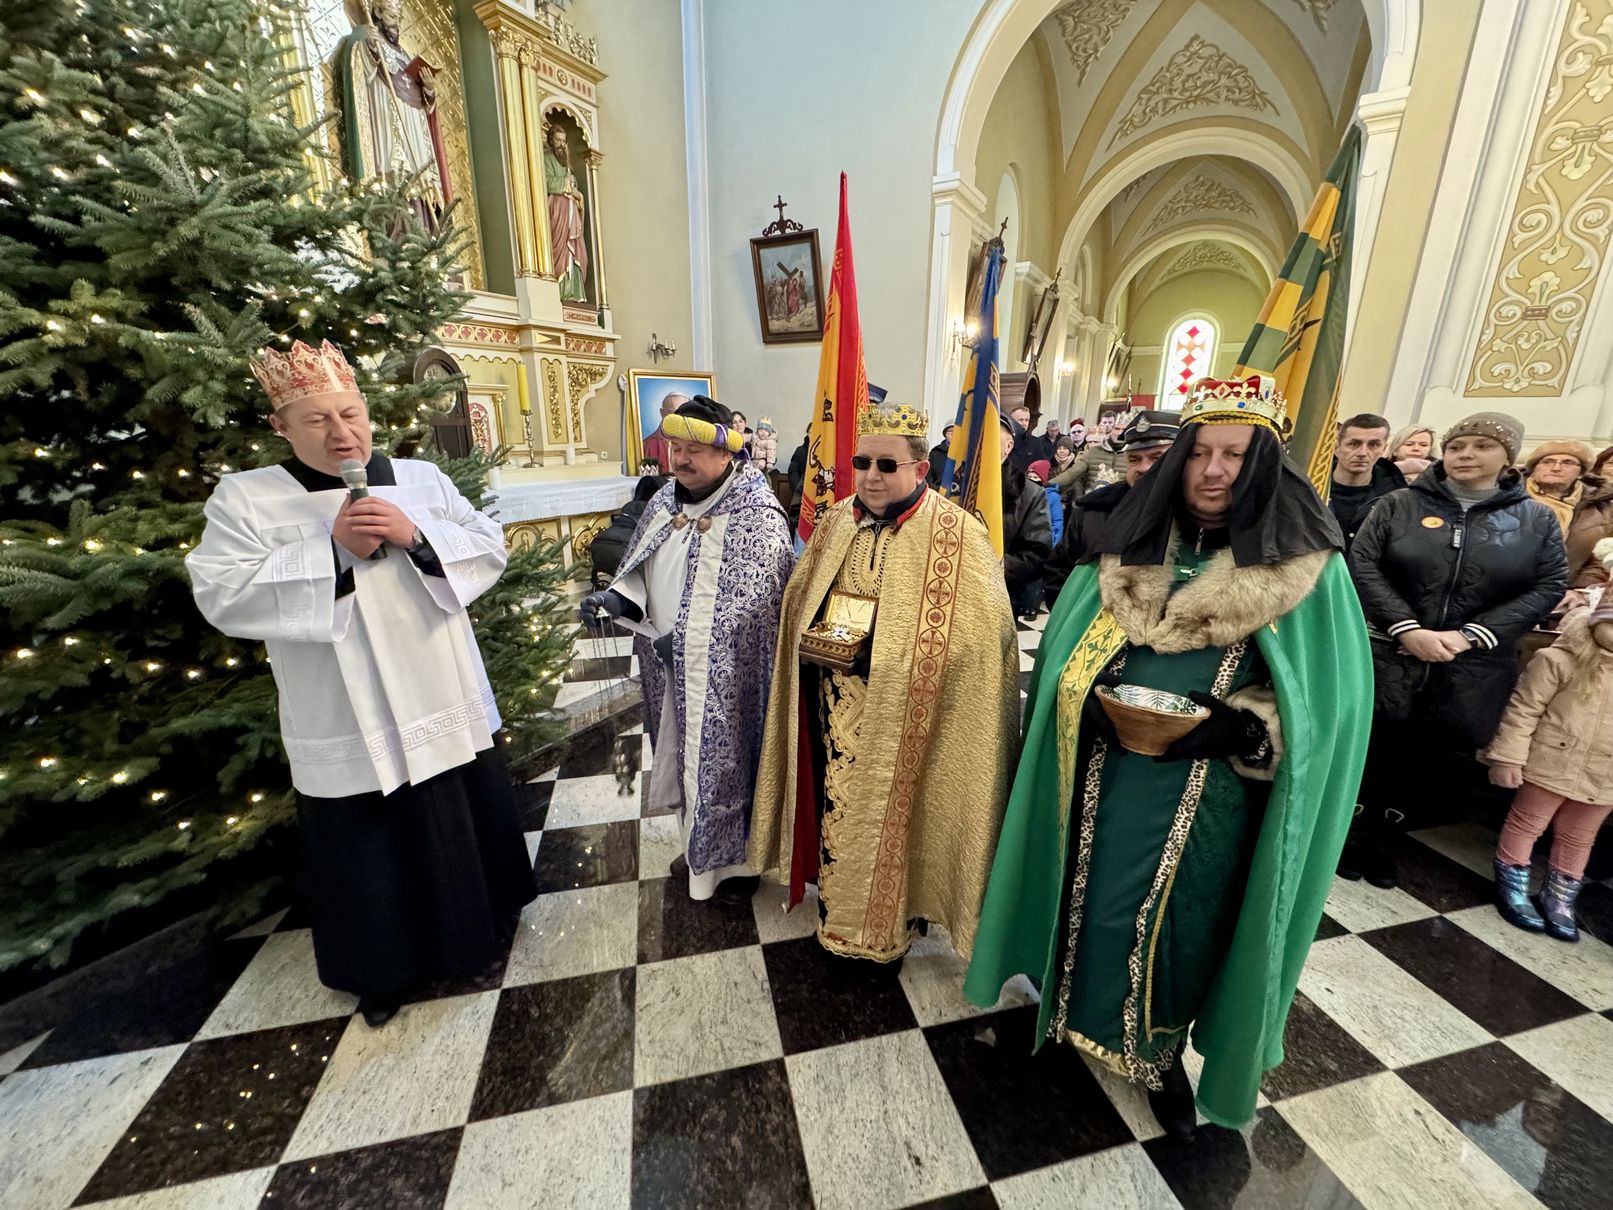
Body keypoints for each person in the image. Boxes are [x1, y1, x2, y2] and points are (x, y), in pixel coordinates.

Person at [966, 375, 1370, 1136]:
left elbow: (1332, 705)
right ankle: (1069, 1017)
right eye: (1200, 454)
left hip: (1212, 794)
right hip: (1102, 772)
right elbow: (1060, 658)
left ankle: (1157, 1054)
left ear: (1263, 465)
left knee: (1182, 922)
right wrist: (1081, 697)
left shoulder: (1308, 571)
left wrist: (1244, 729)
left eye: (1234, 455)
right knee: (1086, 898)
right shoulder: (1125, 550)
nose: (1213, 471)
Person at [187, 339, 535, 1028]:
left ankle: (478, 935)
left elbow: (488, 544)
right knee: (364, 839)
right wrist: (332, 554)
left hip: (437, 684)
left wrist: (417, 536)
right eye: (317, 419)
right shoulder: (247, 498)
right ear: (281, 426)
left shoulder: (420, 479)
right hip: (343, 708)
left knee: (454, 815)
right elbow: (221, 594)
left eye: (350, 413)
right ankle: (382, 972)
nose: (341, 432)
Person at [748, 402, 1018, 967]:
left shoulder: (958, 534)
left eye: (887, 465)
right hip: (835, 704)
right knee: (840, 812)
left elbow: (984, 640)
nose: (871, 476)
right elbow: (800, 600)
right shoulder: (835, 521)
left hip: (911, 718)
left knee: (897, 823)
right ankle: (838, 922)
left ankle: (890, 931)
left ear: (921, 469)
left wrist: (893, 656)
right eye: (862, 462)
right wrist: (812, 641)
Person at [583, 396, 794, 902]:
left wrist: (686, 643)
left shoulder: (757, 513)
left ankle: (737, 867)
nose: (679, 459)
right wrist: (615, 597)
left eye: (693, 450)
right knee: (680, 754)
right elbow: (641, 567)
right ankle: (696, 849)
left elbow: (755, 603)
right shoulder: (664, 501)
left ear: (726, 454)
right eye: (675, 448)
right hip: (666, 664)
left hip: (726, 675)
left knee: (725, 764)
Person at [1345, 412, 1568, 887]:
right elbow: (1362, 564)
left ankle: (1389, 836)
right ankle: (1350, 830)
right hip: (1391, 651)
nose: (1466, 455)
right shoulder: (1398, 504)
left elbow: (1549, 585)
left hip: (1470, 663)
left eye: (1482, 446)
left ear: (1508, 456)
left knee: (1430, 756)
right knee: (1371, 746)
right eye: (1456, 446)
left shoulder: (1535, 519)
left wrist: (1470, 635)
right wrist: (1407, 628)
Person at [1483, 551, 1613, 944]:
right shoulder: (1560, 659)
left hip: (1604, 774)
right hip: (1551, 759)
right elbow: (1523, 709)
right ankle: (1512, 879)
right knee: (1528, 822)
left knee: (1579, 836)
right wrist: (1508, 757)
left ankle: (1560, 896)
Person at [1042, 410, 1181, 606]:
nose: (1144, 468)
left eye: (1157, 458)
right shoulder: (1092, 512)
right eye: (1134, 459)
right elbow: (1058, 571)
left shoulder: (1198, 517)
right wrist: (1068, 615)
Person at [1000, 412, 1055, 620]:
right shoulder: (951, 487)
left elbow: (1036, 553)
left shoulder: (1029, 494)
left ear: (1008, 446)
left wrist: (991, 567)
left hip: (1001, 597)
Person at [1329, 413, 1406, 553]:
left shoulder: (1395, 499)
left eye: (1373, 445)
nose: (1362, 453)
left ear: (1383, 449)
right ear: (1337, 447)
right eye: (1354, 444)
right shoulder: (1310, 487)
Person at [544, 125, 590, 302]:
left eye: (564, 141)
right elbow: (546, 182)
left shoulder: (566, 163)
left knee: (575, 249)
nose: (561, 145)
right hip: (557, 211)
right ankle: (562, 290)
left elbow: (573, 187)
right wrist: (565, 182)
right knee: (561, 248)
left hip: (571, 212)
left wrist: (578, 195)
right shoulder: (546, 159)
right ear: (551, 140)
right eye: (558, 140)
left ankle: (575, 292)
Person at [1565, 445, 1613, 591]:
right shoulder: (1576, 493)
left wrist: (1580, 589)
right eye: (1611, 463)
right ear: (1599, 466)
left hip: (1585, 587)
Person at [1524, 440, 1595, 536]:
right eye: (1547, 462)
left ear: (1581, 473)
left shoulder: (1600, 505)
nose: (1556, 468)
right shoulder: (1508, 494)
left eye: (1567, 463)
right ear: (1534, 469)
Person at [1052, 415, 1125, 495]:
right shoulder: (1092, 452)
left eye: (1124, 429)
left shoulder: (1130, 453)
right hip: (1092, 497)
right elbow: (1072, 473)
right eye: (1117, 429)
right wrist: (1049, 484)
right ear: (1112, 430)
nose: (1120, 433)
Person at [641, 391, 691, 475]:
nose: (677, 418)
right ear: (662, 413)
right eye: (672, 412)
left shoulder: (694, 443)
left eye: (682, 413)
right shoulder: (648, 444)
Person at [1028, 459, 1065, 546]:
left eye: (1036, 478)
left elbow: (1057, 521)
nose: (1032, 480)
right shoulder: (1024, 494)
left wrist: (1053, 543)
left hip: (1043, 541)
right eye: (1029, 477)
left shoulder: (1052, 496)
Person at [1008, 405, 1049, 470]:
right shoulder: (1001, 440)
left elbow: (1042, 466)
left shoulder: (1036, 443)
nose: (1024, 423)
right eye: (1021, 420)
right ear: (1011, 421)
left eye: (1026, 420)